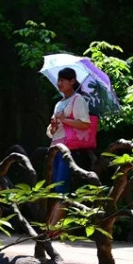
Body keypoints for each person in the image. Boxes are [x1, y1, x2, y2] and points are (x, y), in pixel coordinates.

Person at [45, 67, 96, 236]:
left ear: (72, 81)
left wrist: (64, 120)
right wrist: (53, 125)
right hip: (56, 147)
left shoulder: (78, 99)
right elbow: (52, 131)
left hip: (69, 149)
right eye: (58, 80)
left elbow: (85, 124)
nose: (59, 83)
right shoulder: (59, 103)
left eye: (63, 80)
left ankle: (51, 229)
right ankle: (58, 228)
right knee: (55, 186)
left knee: (61, 186)